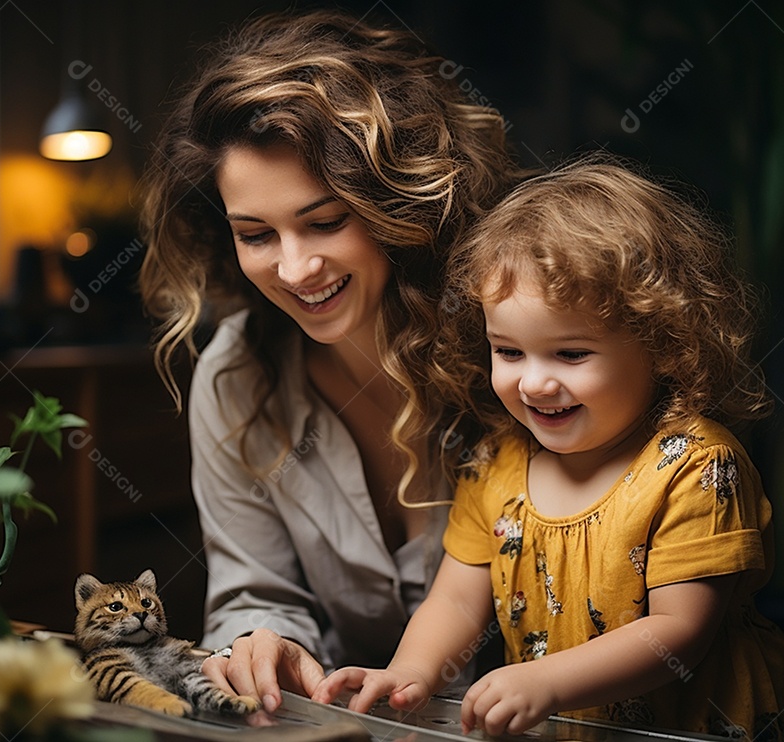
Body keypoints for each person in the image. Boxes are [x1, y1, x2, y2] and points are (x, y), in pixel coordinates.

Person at [313, 158, 784, 741]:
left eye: (571, 354)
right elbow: (456, 601)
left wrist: (547, 681)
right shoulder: (496, 466)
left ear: (664, 344)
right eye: (509, 352)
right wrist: (411, 672)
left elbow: (678, 633)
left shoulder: (696, 468)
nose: (534, 383)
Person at [137, 9, 524, 715]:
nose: (295, 268)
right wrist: (264, 643)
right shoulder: (234, 376)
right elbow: (254, 590)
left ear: (396, 203)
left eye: (325, 222)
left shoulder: (518, 348)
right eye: (256, 235)